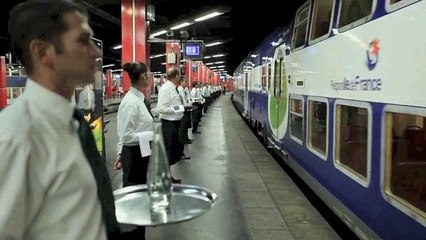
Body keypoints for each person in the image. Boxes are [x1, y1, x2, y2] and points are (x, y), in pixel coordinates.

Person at [1, 1, 120, 239]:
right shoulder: (16, 138)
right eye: (83, 41)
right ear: (43, 52)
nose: (97, 54)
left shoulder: (71, 121)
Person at [114, 62, 152, 240]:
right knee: (134, 201)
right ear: (144, 76)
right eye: (149, 74)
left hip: (139, 155)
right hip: (134, 156)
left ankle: (138, 235)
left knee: (140, 199)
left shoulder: (138, 99)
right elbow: (127, 135)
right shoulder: (130, 102)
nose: (150, 77)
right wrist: (151, 134)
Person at [155, 67, 184, 183]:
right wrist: (179, 108)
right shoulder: (166, 89)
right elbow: (160, 108)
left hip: (175, 124)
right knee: (169, 151)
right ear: (176, 76)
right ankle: (164, 177)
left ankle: (166, 174)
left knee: (176, 150)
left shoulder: (173, 88)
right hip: (168, 125)